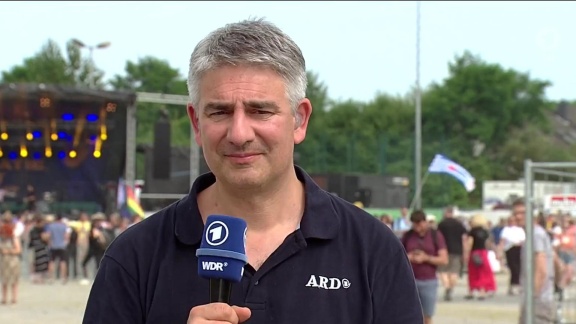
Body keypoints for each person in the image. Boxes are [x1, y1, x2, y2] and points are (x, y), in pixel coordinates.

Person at [82, 18, 422, 324]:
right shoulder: (134, 257)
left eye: (260, 111)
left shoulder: (373, 250)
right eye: (220, 112)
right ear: (196, 123)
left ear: (300, 120)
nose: (239, 133)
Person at [401, 210, 449, 324]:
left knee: (427, 316)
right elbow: (398, 257)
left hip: (429, 281)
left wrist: (426, 258)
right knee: (409, 315)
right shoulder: (408, 236)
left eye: (419, 223)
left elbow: (444, 259)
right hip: (410, 280)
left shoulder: (435, 235)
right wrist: (410, 257)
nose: (417, 227)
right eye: (414, 224)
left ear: (425, 222)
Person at [513, 199, 557, 323]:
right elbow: (554, 258)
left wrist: (532, 298)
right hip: (541, 300)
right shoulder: (534, 235)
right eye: (515, 213)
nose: (518, 216)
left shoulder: (535, 235)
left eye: (522, 213)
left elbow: (541, 270)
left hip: (538, 302)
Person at [437, 206, 467, 301]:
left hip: (444, 249)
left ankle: (446, 287)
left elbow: (438, 237)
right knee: (454, 271)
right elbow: (464, 238)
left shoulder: (441, 224)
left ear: (446, 213)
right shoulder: (459, 224)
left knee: (443, 271)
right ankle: (451, 288)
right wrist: (464, 251)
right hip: (457, 250)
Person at [463, 214, 496, 300]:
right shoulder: (485, 231)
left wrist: (466, 253)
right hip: (483, 252)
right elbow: (488, 243)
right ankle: (482, 291)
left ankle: (471, 291)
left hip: (474, 252)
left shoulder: (472, 232)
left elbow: (470, 243)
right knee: (483, 272)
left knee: (473, 272)